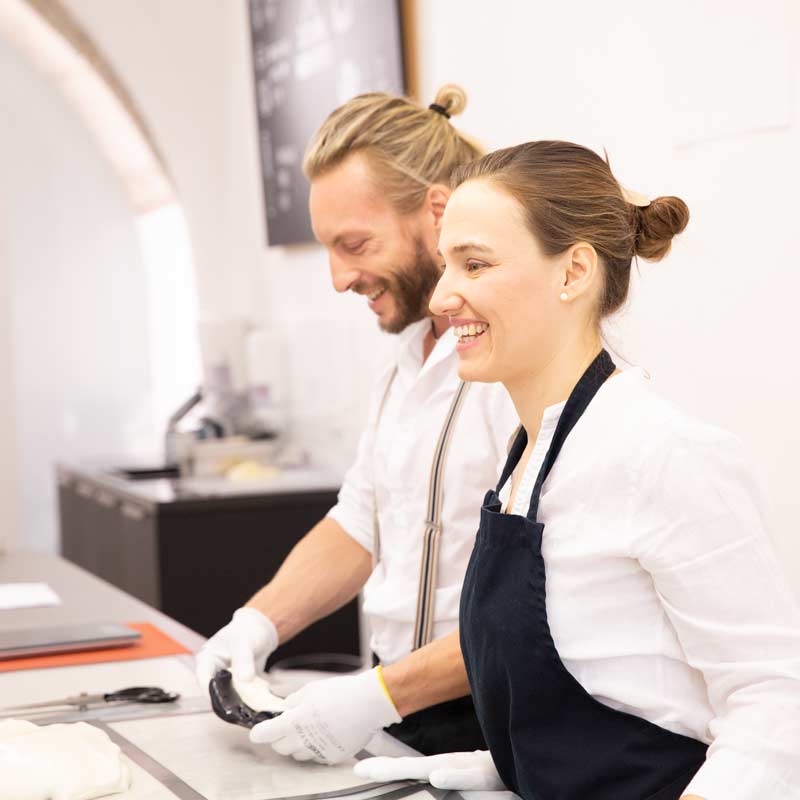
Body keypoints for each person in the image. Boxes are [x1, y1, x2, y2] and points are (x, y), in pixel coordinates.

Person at [354, 140, 800, 799]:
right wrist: (518, 765)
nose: (444, 296)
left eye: (474, 264)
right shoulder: (528, 459)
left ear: (573, 273)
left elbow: (776, 700)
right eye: (447, 264)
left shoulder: (663, 455)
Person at [194, 86, 519, 763]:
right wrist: (255, 624)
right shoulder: (404, 362)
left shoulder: (518, 366)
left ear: (437, 214)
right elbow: (361, 520)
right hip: (406, 708)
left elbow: (538, 600)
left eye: (354, 244)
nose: (340, 278)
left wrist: (378, 695)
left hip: (497, 718)